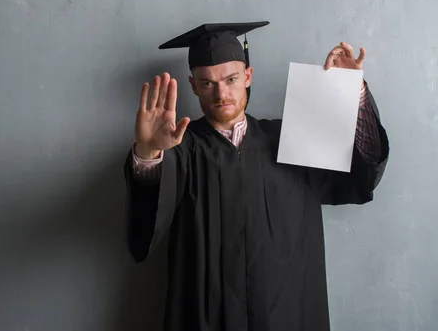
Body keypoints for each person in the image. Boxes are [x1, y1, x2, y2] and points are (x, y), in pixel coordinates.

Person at [122, 21, 389, 331]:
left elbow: (361, 176)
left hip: (286, 313)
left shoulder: (290, 138)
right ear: (193, 86)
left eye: (231, 79)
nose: (221, 93)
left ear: (248, 76)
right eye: (207, 83)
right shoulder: (182, 148)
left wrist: (351, 91)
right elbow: (145, 225)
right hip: (205, 319)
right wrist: (148, 153)